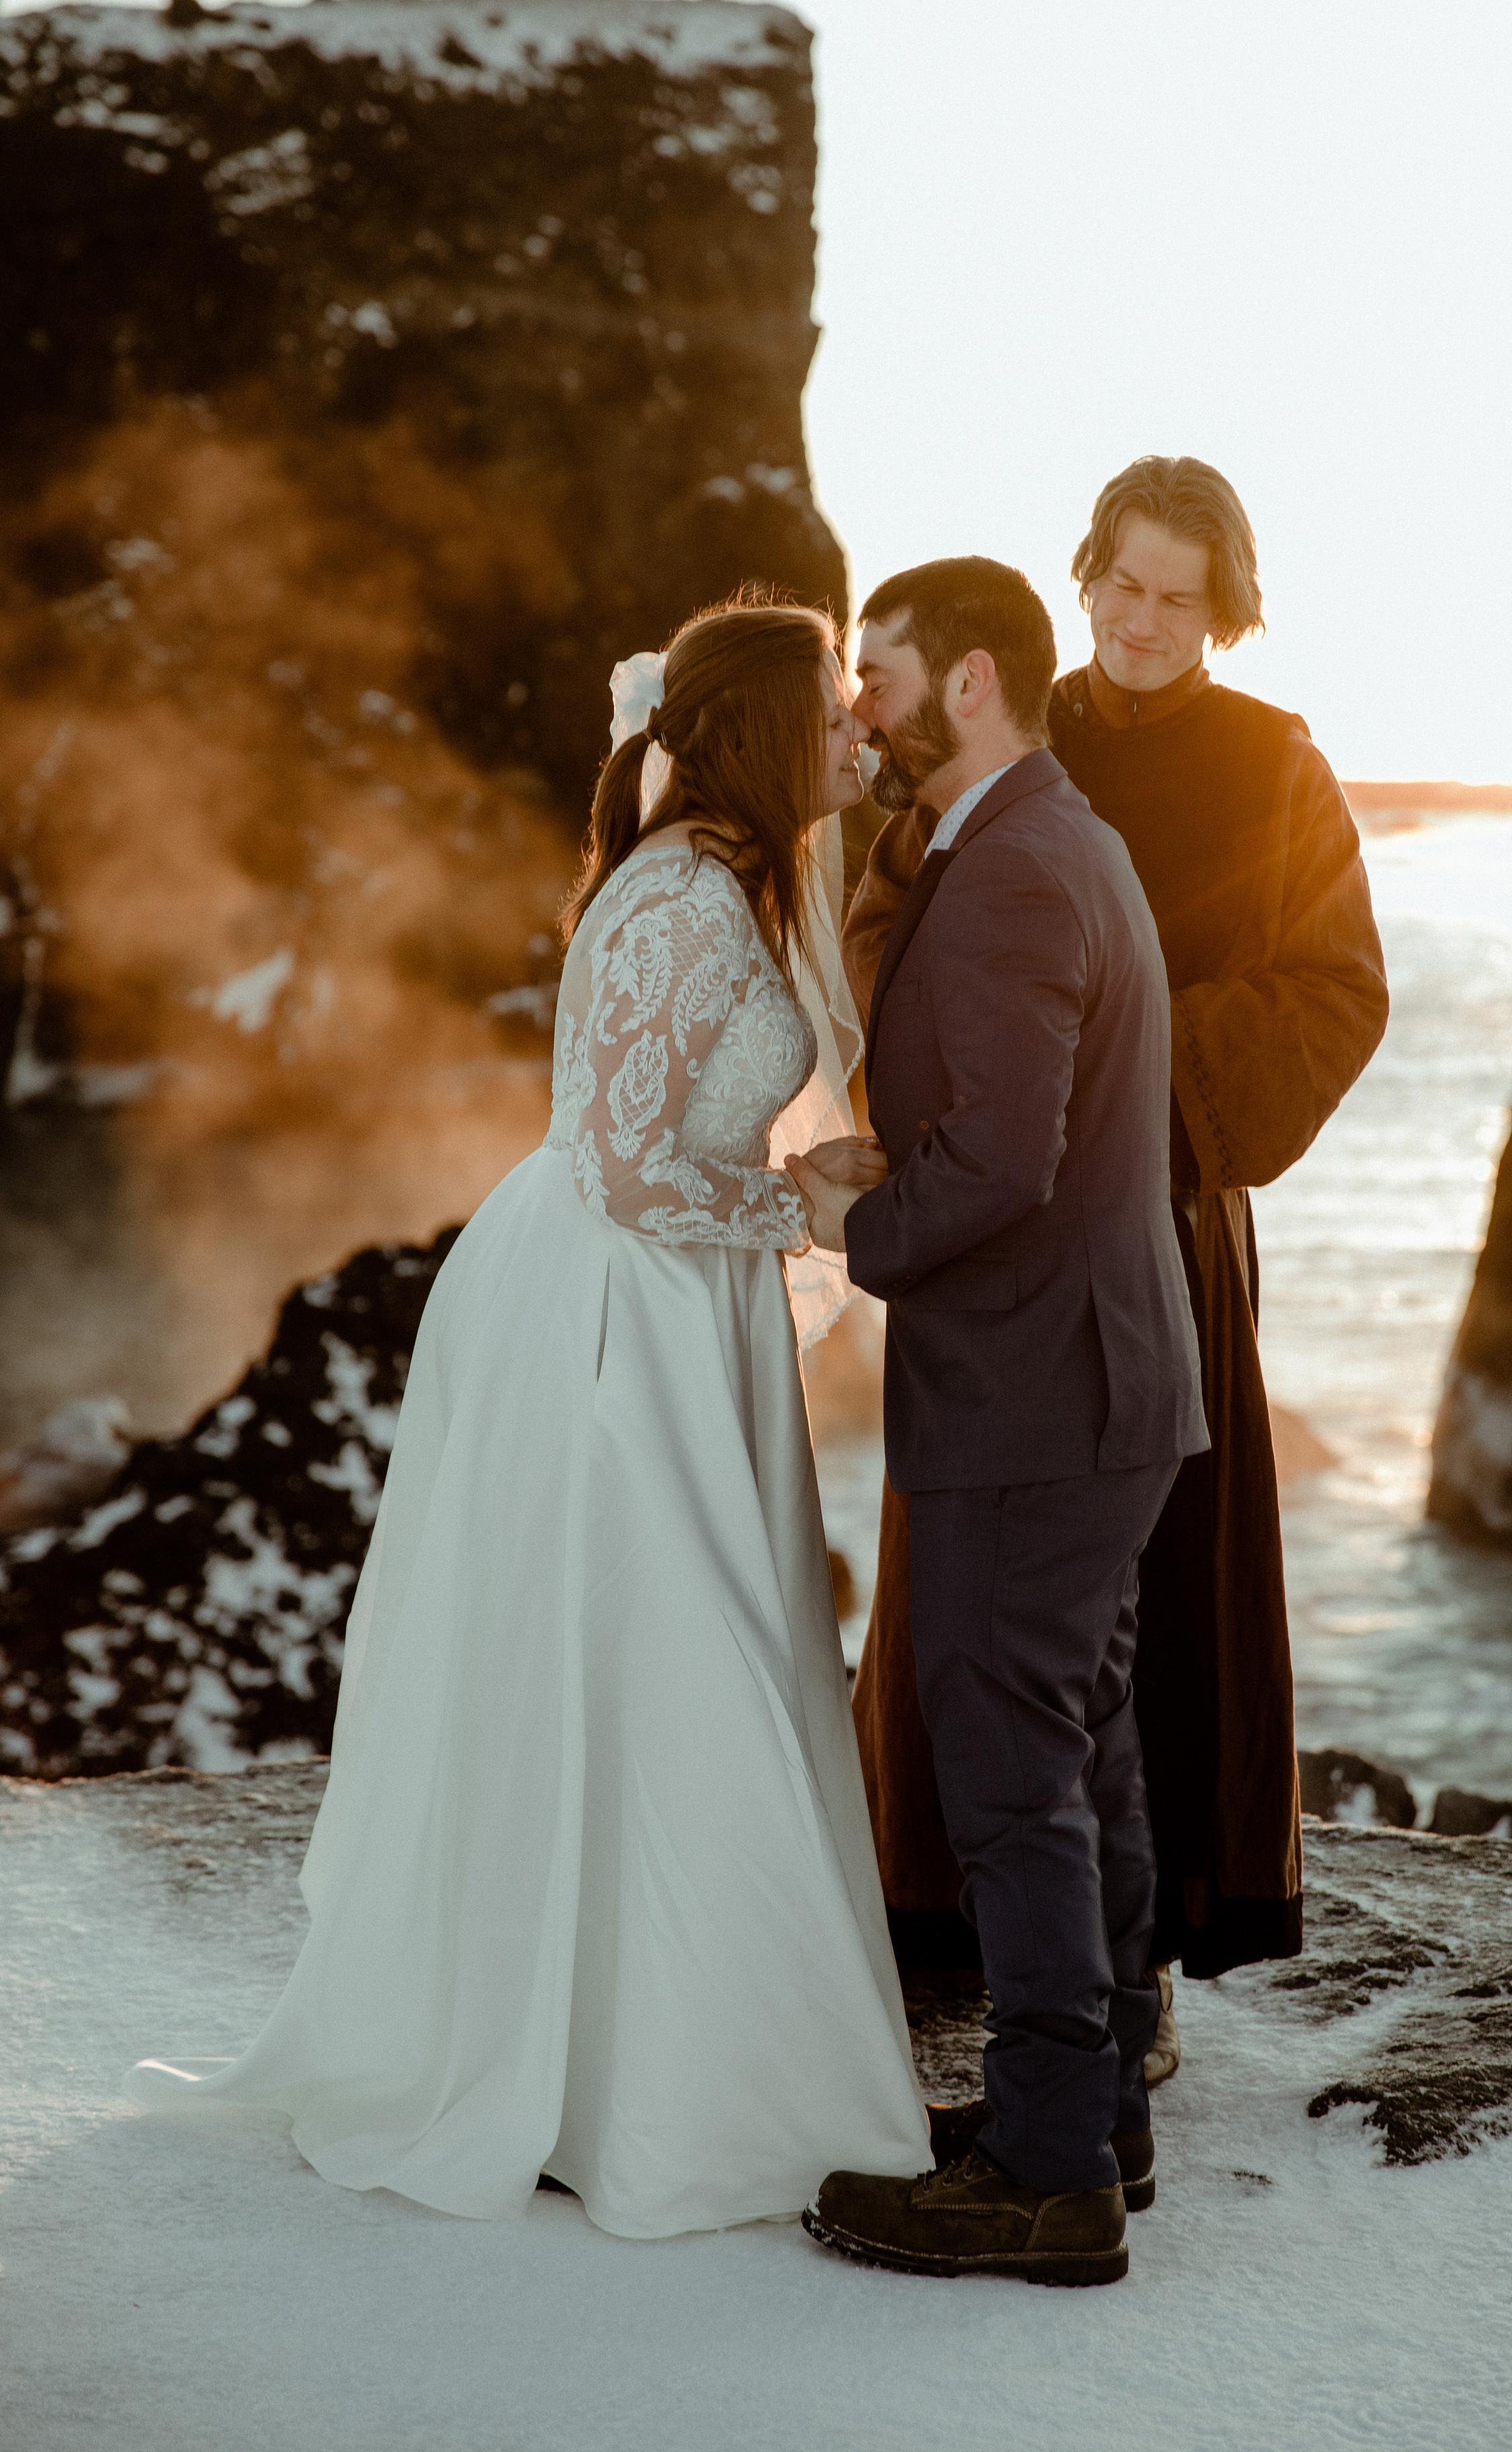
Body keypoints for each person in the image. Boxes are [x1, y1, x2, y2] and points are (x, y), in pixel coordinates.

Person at [128, 597, 934, 2235]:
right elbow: (628, 1168)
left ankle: (645, 2062)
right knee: (642, 1651)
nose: (862, 731)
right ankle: (613, 2084)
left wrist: (806, 1175)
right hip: (602, 1310)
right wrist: (801, 1213)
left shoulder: (741, 875)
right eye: (840, 710)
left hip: (669, 1299)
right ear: (774, 730)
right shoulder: (682, 900)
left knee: (675, 1654)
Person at [842, 459, 1389, 1986]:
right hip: (981, 1213)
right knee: (968, 1606)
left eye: (1180, 596)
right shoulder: (1006, 717)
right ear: (1082, 577)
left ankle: (1129, 1966)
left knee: (1141, 1603)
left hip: (1160, 1228)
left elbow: (1336, 991)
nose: (1144, 621)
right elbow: (882, 895)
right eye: (1123, 585)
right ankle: (944, 1921)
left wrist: (1120, 1088)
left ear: (1226, 608)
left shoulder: (1274, 764)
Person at [789, 557, 1206, 2287]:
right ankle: (1090, 2112)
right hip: (1099, 1389)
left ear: (967, 680)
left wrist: (852, 1224)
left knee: (1010, 1771)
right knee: (1081, 1752)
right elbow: (1014, 1124)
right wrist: (908, 1166)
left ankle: (1047, 2180)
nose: (860, 707)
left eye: (876, 674)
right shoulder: (1053, 835)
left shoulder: (1021, 866)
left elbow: (1013, 1156)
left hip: (1041, 1398)